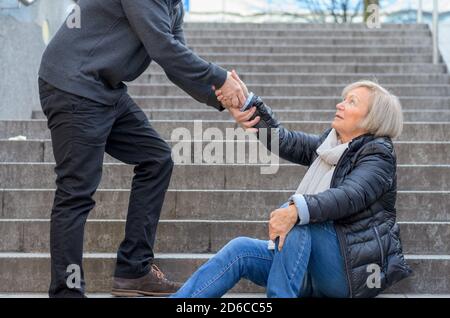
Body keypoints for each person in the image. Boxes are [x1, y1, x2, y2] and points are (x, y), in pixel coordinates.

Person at [38, 0, 249, 298]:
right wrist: (218, 77)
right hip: (72, 84)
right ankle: (66, 292)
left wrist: (226, 102)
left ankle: (133, 270)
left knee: (156, 159)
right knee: (76, 192)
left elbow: (177, 62)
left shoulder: (174, 7)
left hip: (105, 89)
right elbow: (163, 47)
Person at [171, 74, 412, 298]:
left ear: (372, 118)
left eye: (352, 102)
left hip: (352, 273)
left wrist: (296, 210)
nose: (340, 105)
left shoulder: (378, 155)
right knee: (240, 250)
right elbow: (284, 141)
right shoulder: (328, 147)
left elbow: (350, 195)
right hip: (310, 266)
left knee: (298, 214)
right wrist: (248, 106)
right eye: (343, 100)